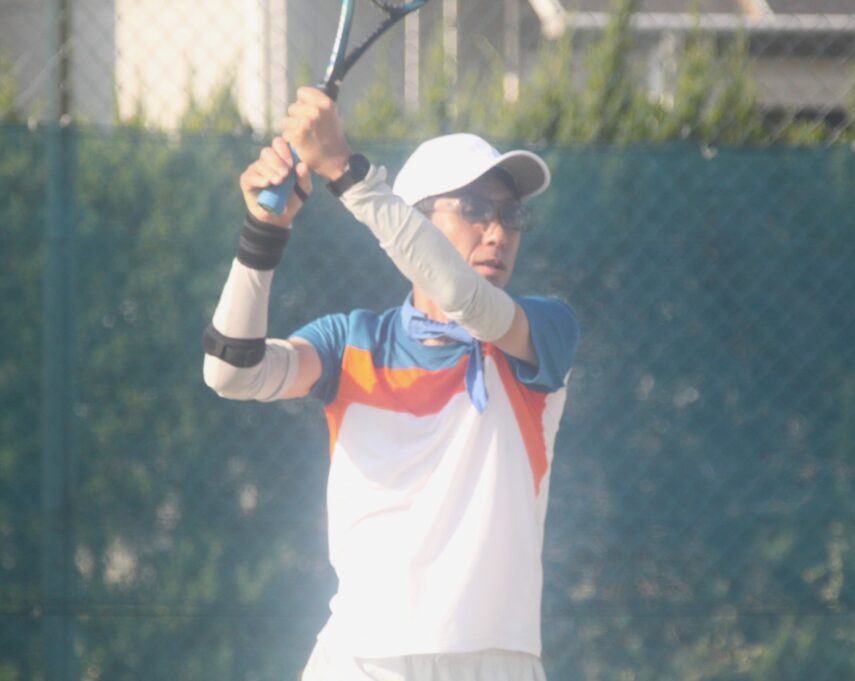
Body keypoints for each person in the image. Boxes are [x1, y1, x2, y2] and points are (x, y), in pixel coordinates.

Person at [201, 86, 579, 681]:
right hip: (360, 661)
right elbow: (230, 372)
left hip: (498, 664)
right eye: (474, 208)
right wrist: (263, 231)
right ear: (414, 218)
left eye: (511, 215)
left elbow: (464, 300)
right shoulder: (350, 343)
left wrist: (346, 172)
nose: (498, 231)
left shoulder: (543, 331)